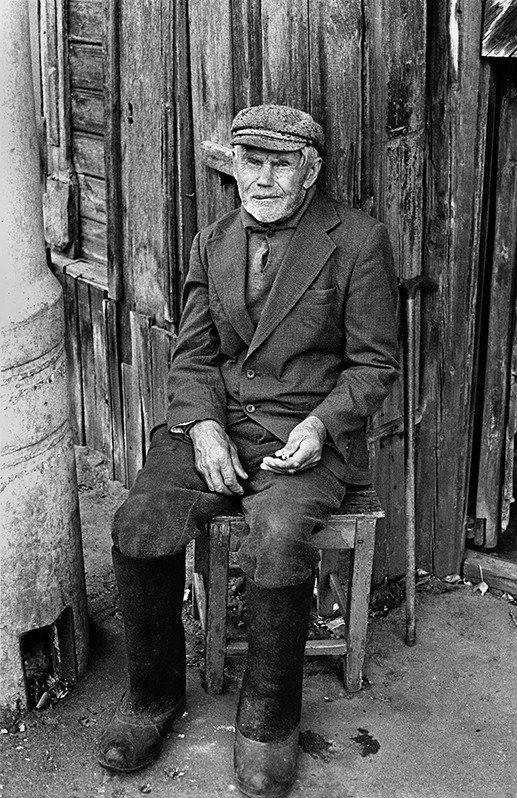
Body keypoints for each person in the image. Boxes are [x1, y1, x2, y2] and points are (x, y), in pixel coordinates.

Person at [98, 104, 400, 798]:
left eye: (280, 163)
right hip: (218, 423)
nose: (261, 178)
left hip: (304, 433)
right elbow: (194, 355)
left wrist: (322, 426)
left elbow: (373, 364)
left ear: (310, 170)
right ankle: (152, 698)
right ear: (231, 165)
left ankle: (268, 721)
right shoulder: (214, 240)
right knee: (140, 522)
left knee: (277, 535)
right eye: (249, 161)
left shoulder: (356, 241)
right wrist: (201, 426)